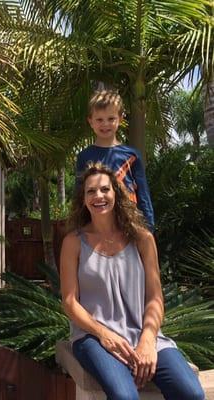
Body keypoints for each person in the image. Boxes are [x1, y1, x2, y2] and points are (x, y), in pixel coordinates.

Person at [60, 163, 204, 400]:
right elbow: (69, 302)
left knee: (191, 393)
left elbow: (155, 298)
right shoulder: (74, 242)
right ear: (83, 199)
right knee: (125, 397)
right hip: (93, 337)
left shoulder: (143, 239)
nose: (99, 196)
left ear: (116, 193)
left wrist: (148, 339)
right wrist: (103, 334)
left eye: (105, 189)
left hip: (142, 333)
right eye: (91, 191)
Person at [75, 90, 155, 230]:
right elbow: (79, 196)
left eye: (111, 119)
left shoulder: (132, 155)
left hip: (129, 227)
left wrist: (149, 228)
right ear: (90, 121)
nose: (105, 124)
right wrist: (79, 227)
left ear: (120, 119)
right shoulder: (84, 157)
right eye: (99, 119)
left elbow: (143, 194)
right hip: (96, 228)